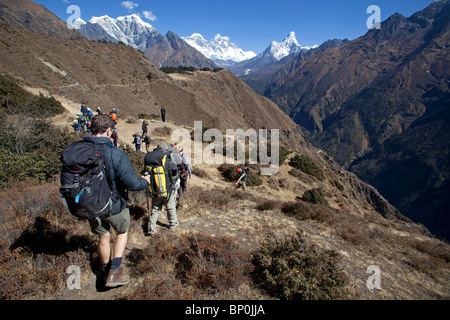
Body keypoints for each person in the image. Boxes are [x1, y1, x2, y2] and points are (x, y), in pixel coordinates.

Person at [82, 114, 150, 288]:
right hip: (113, 205)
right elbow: (132, 184)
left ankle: (104, 271)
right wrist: (145, 181)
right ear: (109, 131)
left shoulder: (80, 151)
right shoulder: (116, 154)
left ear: (91, 129)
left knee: (103, 235)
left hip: (90, 206)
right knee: (122, 231)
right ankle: (115, 272)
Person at [144, 143, 179, 235]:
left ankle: (152, 228)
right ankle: (173, 223)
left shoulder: (148, 156)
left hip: (154, 188)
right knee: (170, 206)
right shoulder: (167, 156)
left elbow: (144, 171)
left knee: (155, 208)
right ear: (166, 149)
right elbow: (174, 170)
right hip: (167, 187)